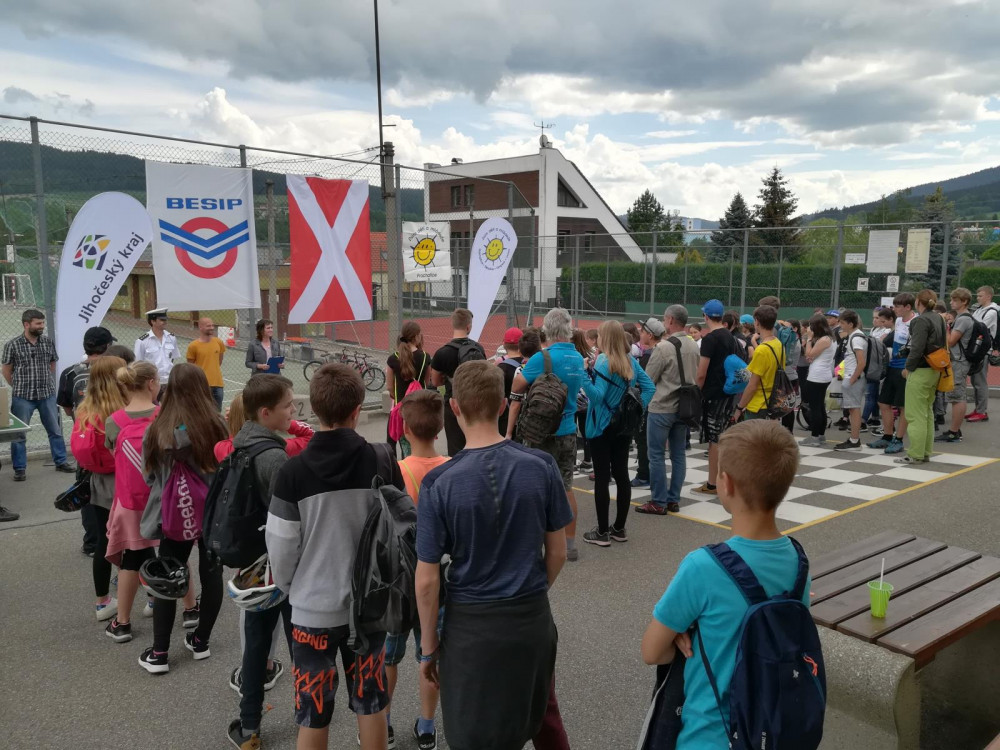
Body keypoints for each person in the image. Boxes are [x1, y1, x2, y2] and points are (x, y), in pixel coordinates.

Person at [414, 360, 573, 750]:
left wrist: (429, 648)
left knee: (473, 731)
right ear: (503, 405)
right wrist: (533, 590)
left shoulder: (439, 483)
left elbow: (427, 580)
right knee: (537, 714)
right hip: (530, 617)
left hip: (471, 627)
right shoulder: (542, 466)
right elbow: (557, 552)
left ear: (454, 407)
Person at [640, 419, 807, 749]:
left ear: (725, 484)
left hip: (708, 736)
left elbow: (651, 651)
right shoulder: (798, 560)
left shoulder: (703, 567)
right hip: (771, 729)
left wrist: (682, 636)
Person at [266, 363, 404, 750]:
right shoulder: (381, 459)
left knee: (313, 713)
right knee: (372, 704)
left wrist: (294, 588)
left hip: (313, 611)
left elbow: (281, 547)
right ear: (358, 409)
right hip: (370, 607)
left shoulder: (292, 473)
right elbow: (402, 525)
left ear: (313, 409)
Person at [138, 363, 228, 674]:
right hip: (211, 513)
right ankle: (201, 641)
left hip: (173, 514)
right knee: (212, 574)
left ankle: (159, 652)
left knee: (167, 576)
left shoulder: (156, 429)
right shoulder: (217, 425)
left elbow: (149, 477)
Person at [225, 374, 296, 750]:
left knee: (255, 646)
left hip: (255, 565)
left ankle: (249, 724)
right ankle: (309, 710)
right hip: (281, 563)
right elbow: (291, 515)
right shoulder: (274, 457)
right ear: (266, 413)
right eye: (288, 406)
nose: (294, 410)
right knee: (299, 640)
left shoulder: (241, 444)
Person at [385, 389, 449, 750]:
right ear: (439, 429)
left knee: (388, 658)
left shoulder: (398, 472)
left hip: (399, 582)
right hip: (438, 580)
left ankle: (384, 724)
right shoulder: (451, 468)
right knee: (430, 653)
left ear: (406, 429)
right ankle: (426, 726)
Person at [507, 308, 587, 561]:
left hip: (540, 432)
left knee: (536, 488)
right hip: (568, 430)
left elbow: (518, 385)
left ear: (547, 330)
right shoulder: (577, 357)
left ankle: (536, 543)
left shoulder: (542, 358)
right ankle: (570, 544)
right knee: (566, 487)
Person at [103, 361, 164, 644]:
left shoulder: (114, 421)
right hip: (162, 499)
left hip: (129, 503)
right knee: (172, 553)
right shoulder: (164, 415)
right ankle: (190, 609)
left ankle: (123, 622)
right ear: (151, 383)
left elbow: (113, 455)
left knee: (131, 557)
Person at [581, 321, 654, 546]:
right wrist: (636, 408)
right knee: (621, 474)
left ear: (605, 337)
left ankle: (602, 532)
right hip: (623, 425)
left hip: (601, 425)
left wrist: (583, 374)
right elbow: (650, 387)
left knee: (602, 477)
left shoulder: (603, 361)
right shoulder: (630, 360)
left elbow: (597, 396)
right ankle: (619, 528)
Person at [70, 355, 128, 622]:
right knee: (139, 541)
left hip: (97, 482)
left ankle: (102, 601)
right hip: (125, 480)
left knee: (106, 541)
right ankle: (152, 597)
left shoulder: (85, 410)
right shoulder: (122, 411)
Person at [56, 325, 115, 554]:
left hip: (85, 442)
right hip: (113, 441)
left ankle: (93, 543)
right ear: (107, 346)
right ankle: (120, 540)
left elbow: (66, 407)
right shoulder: (117, 370)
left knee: (86, 489)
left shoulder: (70, 373)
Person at [637, 305, 700, 516]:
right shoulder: (693, 345)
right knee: (678, 454)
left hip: (662, 406)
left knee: (656, 455)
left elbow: (648, 379)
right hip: (684, 408)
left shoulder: (663, 348)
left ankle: (658, 500)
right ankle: (673, 498)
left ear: (670, 320)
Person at [2, 308, 74, 483]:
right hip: (22, 397)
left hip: (46, 395)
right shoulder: (12, 345)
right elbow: (6, 370)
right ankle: (20, 469)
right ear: (27, 324)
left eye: (42, 323)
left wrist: (44, 381)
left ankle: (61, 461)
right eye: (38, 323)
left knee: (55, 430)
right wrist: (18, 386)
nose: (42, 326)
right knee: (19, 435)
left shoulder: (48, 342)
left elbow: (52, 364)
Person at [694, 299, 737, 495]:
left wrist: (696, 393)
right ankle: (725, 479)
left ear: (705, 316)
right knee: (724, 437)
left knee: (714, 440)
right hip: (728, 391)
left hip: (713, 394)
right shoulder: (730, 336)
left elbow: (701, 373)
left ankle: (713, 483)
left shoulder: (710, 339)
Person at [899, 290, 947, 464]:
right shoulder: (939, 318)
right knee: (927, 412)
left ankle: (915, 454)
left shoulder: (920, 320)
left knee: (915, 414)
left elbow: (917, 348)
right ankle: (925, 452)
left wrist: (908, 367)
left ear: (918, 302)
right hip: (935, 368)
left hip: (920, 370)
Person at [431, 309, 486, 456]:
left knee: (455, 448)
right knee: (476, 444)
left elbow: (435, 382)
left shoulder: (442, 353)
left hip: (453, 404)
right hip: (475, 403)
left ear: (453, 324)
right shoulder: (478, 348)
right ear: (468, 327)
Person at [868, 293, 916, 454]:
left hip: (905, 368)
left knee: (903, 406)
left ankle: (899, 439)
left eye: (897, 306)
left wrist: (909, 367)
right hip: (892, 366)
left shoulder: (915, 321)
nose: (894, 309)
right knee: (883, 403)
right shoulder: (898, 321)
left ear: (908, 307)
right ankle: (887, 436)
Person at [215, 392, 314, 462]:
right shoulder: (278, 447)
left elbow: (234, 438)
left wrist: (234, 420)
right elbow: (311, 436)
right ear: (264, 415)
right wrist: (282, 420)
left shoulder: (221, 448)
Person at [733, 305, 785, 422]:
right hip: (773, 402)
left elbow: (752, 385)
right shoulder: (778, 344)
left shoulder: (761, 350)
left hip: (758, 405)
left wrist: (739, 407)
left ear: (756, 322)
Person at [387, 320, 432, 457]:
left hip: (401, 409)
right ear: (416, 336)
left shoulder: (393, 358)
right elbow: (426, 382)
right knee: (418, 443)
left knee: (402, 444)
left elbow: (389, 387)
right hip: (420, 407)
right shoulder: (425, 357)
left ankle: (401, 467)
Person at [938, 287, 976, 443]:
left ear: (964, 301)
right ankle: (955, 430)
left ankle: (954, 432)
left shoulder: (963, 319)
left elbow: (951, 341)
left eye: (955, 300)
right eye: (952, 299)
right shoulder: (961, 317)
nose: (951, 302)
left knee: (957, 397)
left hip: (959, 361)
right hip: (958, 360)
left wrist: (946, 325)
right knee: (955, 396)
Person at [631, 317, 664, 489]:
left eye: (643, 332)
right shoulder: (664, 351)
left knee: (643, 440)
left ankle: (644, 474)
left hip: (649, 404)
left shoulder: (651, 355)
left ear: (650, 335)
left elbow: (644, 382)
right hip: (660, 402)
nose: (640, 334)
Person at [799, 314, 835, 447]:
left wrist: (809, 339)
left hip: (817, 376)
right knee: (819, 406)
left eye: (811, 326)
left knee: (815, 407)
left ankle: (815, 436)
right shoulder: (829, 338)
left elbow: (808, 354)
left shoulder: (824, 339)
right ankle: (820, 435)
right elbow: (812, 356)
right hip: (822, 374)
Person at [834, 310, 867, 450]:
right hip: (851, 376)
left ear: (851, 324)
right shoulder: (854, 336)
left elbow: (861, 362)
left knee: (854, 409)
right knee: (853, 409)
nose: (840, 325)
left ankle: (854, 440)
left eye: (842, 323)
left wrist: (852, 379)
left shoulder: (856, 338)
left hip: (853, 377)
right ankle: (854, 439)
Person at [134, 307, 179, 401]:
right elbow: (138, 364)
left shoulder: (172, 338)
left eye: (165, 319)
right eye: (162, 320)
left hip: (169, 381)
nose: (165, 322)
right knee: (152, 407)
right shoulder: (142, 341)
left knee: (170, 406)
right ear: (153, 321)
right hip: (152, 383)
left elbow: (172, 358)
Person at [968, 286, 999, 423]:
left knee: (980, 381)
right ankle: (978, 409)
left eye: (980, 296)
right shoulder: (979, 309)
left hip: (983, 351)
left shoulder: (991, 312)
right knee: (975, 381)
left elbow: (978, 328)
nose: (978, 298)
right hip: (976, 349)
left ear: (988, 296)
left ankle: (981, 411)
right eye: (978, 295)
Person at [186, 317, 227, 411]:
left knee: (217, 412)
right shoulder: (193, 346)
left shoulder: (218, 342)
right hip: (202, 385)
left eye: (212, 325)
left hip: (218, 384)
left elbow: (219, 361)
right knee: (203, 411)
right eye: (208, 326)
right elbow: (190, 367)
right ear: (200, 327)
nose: (212, 327)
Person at [865, 308, 894, 433]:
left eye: (878, 318)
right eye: (874, 318)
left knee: (875, 395)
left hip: (883, 365)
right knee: (875, 394)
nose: (876, 321)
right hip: (875, 364)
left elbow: (879, 344)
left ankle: (863, 420)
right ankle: (875, 418)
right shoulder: (874, 330)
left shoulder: (888, 330)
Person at [497, 327, 524, 438]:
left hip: (505, 419)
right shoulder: (529, 365)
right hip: (525, 417)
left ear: (504, 345)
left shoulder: (500, 368)